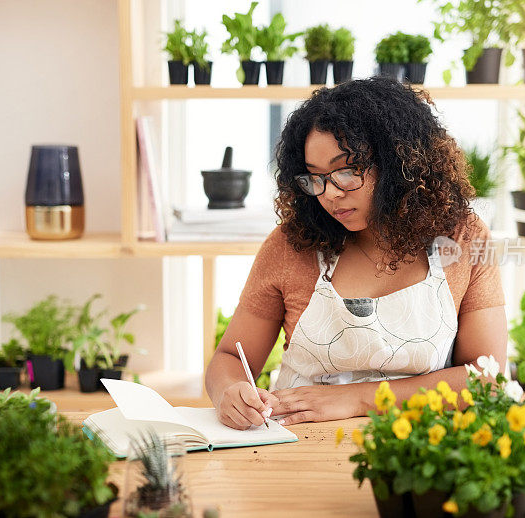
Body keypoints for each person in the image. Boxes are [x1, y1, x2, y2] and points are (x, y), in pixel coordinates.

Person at [205, 77, 507, 430]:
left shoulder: (463, 238)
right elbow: (228, 358)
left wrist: (357, 398)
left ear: (399, 163)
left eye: (346, 172)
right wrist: (230, 391)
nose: (329, 194)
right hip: (293, 445)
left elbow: (485, 379)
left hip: (417, 449)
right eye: (314, 177)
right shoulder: (292, 244)